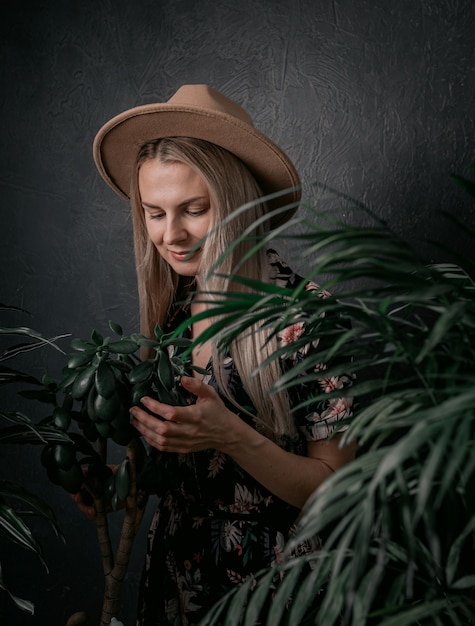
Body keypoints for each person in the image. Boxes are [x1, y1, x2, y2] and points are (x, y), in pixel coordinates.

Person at [93, 84, 356, 626]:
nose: (173, 235)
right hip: (177, 580)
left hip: (274, 590)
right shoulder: (175, 310)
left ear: (238, 203)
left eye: (194, 209)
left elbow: (338, 492)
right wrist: (119, 487)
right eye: (154, 213)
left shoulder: (308, 320)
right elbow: (191, 468)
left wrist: (231, 435)